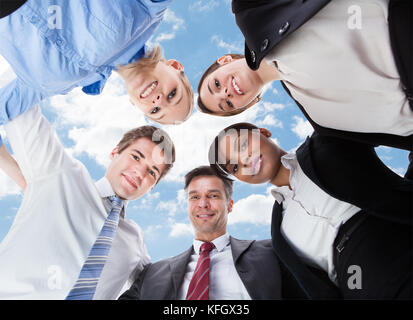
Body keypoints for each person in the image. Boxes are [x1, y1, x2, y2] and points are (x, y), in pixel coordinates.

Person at [208, 122, 413, 299]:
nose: (244, 160)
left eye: (243, 145)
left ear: (263, 132)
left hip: (398, 241)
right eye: (234, 167)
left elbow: (396, 123)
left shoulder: (326, 141)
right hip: (362, 286)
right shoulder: (279, 231)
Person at [197, 0, 413, 165]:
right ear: (250, 105)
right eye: (227, 105)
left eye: (215, 85)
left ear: (224, 60)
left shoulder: (253, 10)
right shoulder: (321, 120)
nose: (225, 93)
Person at [0, 103, 176, 299]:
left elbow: (158, 286)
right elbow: (18, 105)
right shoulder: (63, 177)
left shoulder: (135, 240)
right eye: (136, 157)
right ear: (114, 152)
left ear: (152, 187)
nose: (140, 172)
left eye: (152, 171)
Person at [0, 0, 194, 145]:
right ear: (175, 66)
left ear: (134, 104)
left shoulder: (64, 85)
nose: (159, 101)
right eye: (173, 94)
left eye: (155, 111)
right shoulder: (148, 11)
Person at [119, 166, 313, 300]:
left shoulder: (271, 252)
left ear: (229, 205)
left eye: (213, 195)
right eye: (195, 197)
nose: (203, 204)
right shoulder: (152, 273)